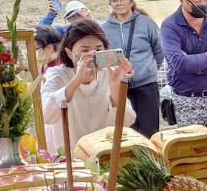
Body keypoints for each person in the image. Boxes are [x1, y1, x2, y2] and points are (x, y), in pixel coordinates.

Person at [39, 19, 135, 156]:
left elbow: (125, 122)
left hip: (102, 154)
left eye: (98, 49)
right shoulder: (57, 74)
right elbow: (47, 115)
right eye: (85, 50)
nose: (92, 55)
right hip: (67, 158)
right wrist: (77, 80)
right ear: (69, 52)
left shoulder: (110, 73)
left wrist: (115, 87)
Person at [101, 0, 165, 137]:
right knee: (128, 131)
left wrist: (148, 70)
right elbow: (104, 56)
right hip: (120, 86)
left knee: (150, 131)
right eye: (115, 0)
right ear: (110, 4)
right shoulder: (104, 29)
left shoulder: (146, 23)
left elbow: (159, 51)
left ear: (131, 2)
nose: (119, 3)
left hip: (146, 85)